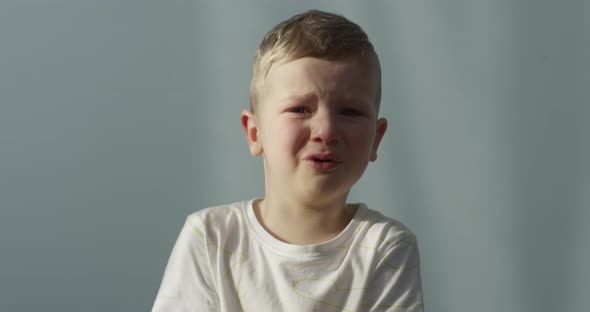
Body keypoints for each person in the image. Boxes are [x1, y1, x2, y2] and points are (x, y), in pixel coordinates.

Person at [152, 9, 424, 312]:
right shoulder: (210, 236)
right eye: (300, 110)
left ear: (376, 137)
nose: (326, 131)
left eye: (350, 111)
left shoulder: (386, 247)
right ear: (255, 133)